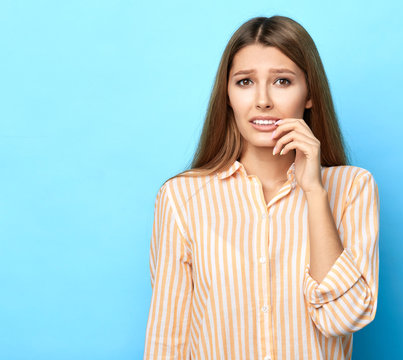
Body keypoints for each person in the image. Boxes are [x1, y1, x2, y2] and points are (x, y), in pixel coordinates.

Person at [143, 15, 380, 360]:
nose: (263, 101)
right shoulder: (182, 198)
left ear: (310, 93)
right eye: (244, 82)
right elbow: (169, 336)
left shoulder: (353, 189)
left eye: (282, 81)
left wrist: (314, 191)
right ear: (227, 94)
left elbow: (341, 318)